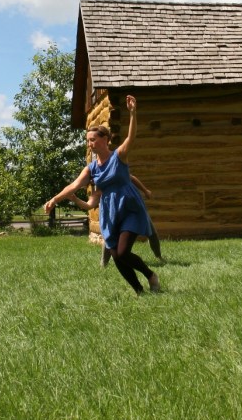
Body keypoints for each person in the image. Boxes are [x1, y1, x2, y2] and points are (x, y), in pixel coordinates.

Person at [45, 95, 160, 295]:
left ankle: (151, 276)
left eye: (93, 140)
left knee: (123, 252)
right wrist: (55, 199)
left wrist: (133, 113)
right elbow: (74, 186)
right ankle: (139, 291)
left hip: (130, 207)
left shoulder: (119, 156)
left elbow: (130, 138)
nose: (90, 144)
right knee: (116, 256)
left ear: (105, 139)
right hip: (111, 211)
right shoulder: (91, 169)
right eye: (88, 141)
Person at [67, 174, 163, 268]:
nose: (92, 182)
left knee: (151, 233)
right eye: (91, 182)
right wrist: (75, 199)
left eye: (92, 180)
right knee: (109, 236)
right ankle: (103, 264)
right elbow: (88, 205)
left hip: (134, 207)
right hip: (116, 213)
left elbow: (132, 178)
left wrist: (145, 191)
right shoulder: (99, 190)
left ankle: (159, 257)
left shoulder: (113, 174)